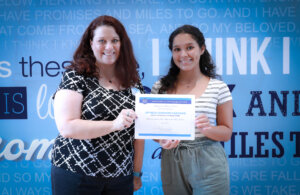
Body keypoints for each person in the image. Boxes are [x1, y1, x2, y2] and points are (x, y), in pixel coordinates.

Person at [51, 15, 144, 195]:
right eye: (102, 41)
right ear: (90, 44)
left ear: (122, 44)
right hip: (77, 173)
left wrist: (136, 172)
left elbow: (140, 132)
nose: (109, 47)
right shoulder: (75, 76)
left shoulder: (133, 81)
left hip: (121, 178)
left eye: (115, 40)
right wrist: (114, 125)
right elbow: (67, 127)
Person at [151, 25, 233, 195]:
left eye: (189, 47)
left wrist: (208, 129)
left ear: (202, 49)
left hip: (209, 160)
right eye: (177, 49)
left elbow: (226, 132)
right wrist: (161, 141)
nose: (183, 55)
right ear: (172, 53)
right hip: (171, 160)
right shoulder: (160, 88)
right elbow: (153, 130)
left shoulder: (219, 87)